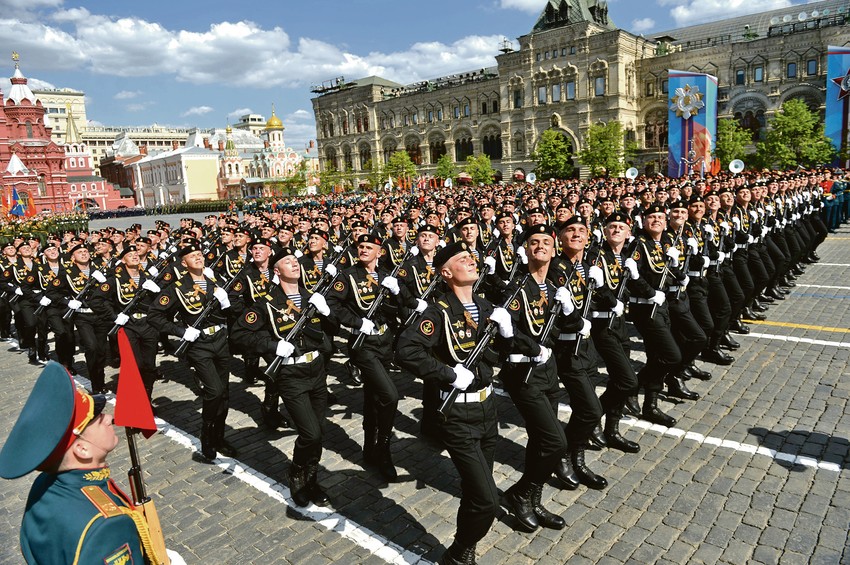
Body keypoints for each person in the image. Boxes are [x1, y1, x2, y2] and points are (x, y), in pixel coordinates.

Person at [397, 241, 514, 565]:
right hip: (457, 412)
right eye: (463, 259)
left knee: (477, 491)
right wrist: (447, 373)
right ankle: (459, 552)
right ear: (446, 272)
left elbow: (501, 355)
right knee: (487, 499)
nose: (471, 261)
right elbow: (406, 351)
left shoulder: (487, 307)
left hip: (487, 408)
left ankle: (467, 546)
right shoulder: (438, 311)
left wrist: (507, 333)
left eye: (471, 257)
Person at [0, 362, 182, 565]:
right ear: (82, 450)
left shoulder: (43, 485)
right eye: (96, 419)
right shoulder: (107, 527)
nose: (109, 418)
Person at [232, 248, 333, 507]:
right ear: (276, 271)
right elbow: (240, 335)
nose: (294, 264)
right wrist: (271, 345)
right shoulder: (266, 302)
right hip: (290, 374)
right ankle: (297, 473)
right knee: (309, 433)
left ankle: (312, 479)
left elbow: (331, 332)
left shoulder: (312, 298)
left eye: (295, 261)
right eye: (286, 262)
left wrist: (327, 312)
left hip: (316, 371)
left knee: (319, 431)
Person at [148, 242, 237, 462]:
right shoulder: (177, 287)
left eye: (199, 254)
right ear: (183, 262)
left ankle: (219, 437)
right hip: (199, 344)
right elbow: (154, 315)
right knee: (214, 391)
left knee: (224, 393)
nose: (198, 257)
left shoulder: (215, 283)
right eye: (192, 255)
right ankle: (206, 436)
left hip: (221, 341)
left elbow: (232, 313)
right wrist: (179, 330)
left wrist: (227, 304)